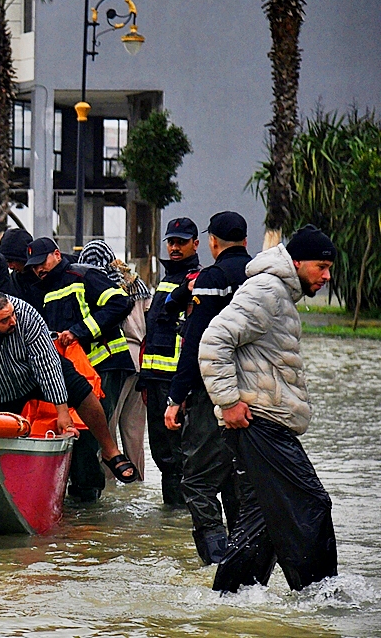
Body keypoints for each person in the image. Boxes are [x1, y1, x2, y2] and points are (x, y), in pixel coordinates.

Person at [201, 225, 338, 592]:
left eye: (329, 269)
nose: (326, 276)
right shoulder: (268, 290)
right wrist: (228, 402)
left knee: (262, 522)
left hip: (262, 424)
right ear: (296, 261)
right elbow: (214, 342)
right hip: (261, 424)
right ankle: (321, 599)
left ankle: (231, 597)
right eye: (321, 267)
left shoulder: (278, 292)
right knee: (310, 506)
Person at [0, 291, 138, 484]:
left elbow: (47, 364)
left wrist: (62, 411)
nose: (12, 321)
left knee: (81, 389)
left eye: (12, 315)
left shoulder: (26, 315)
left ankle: (110, 450)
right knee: (0, 439)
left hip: (32, 375)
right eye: (4, 321)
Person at [165, 211, 252, 565]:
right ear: (245, 240)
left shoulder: (212, 277)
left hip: (212, 393)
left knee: (198, 481)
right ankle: (246, 559)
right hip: (255, 393)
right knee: (236, 483)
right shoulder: (260, 276)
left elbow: (197, 343)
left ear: (212, 242)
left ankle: (216, 565)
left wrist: (175, 397)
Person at [24, 237, 134, 501]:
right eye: (34, 266)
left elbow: (120, 303)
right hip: (78, 373)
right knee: (76, 432)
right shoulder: (47, 290)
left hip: (105, 363)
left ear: (56, 254)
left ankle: (90, 495)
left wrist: (79, 332)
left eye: (42, 262)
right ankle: (83, 492)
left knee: (89, 432)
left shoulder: (83, 275)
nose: (39, 270)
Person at [79, 240, 152, 483]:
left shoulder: (102, 286)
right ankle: (137, 483)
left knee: (106, 426)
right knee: (134, 431)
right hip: (141, 359)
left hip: (115, 358)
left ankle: (110, 483)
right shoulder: (137, 283)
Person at [141, 217, 202, 506]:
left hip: (176, 383)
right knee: (162, 454)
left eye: (181, 242)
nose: (174, 247)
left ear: (196, 244)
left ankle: (180, 516)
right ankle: (171, 517)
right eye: (171, 242)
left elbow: (192, 336)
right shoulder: (167, 281)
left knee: (178, 455)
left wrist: (184, 388)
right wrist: (145, 378)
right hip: (154, 380)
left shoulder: (196, 282)